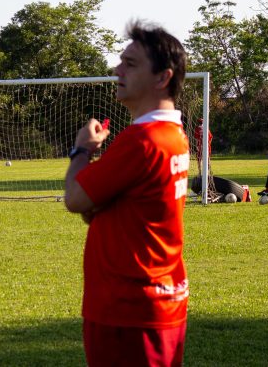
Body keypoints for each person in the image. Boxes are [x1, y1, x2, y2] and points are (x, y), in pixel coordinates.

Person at [64, 22, 189, 367]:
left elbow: (75, 198)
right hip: (159, 300)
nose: (118, 69)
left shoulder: (142, 140)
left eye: (130, 64)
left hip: (128, 309)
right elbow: (120, 203)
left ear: (162, 77)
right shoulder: (172, 132)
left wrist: (82, 150)